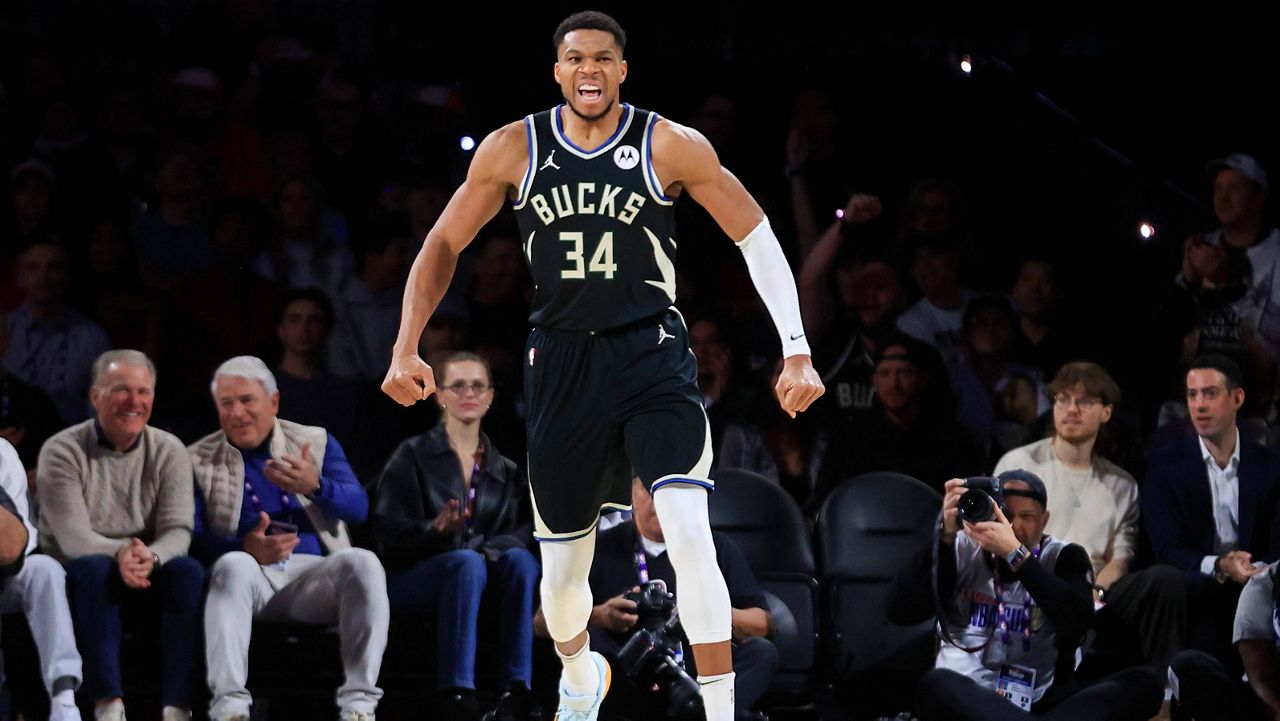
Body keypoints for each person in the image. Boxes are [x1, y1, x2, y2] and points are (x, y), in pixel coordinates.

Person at [381, 12, 824, 721]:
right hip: (560, 363)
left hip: (651, 355)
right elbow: (442, 245)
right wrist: (406, 344)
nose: (589, 69)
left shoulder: (668, 143)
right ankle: (579, 669)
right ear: (557, 71)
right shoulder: (512, 148)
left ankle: (719, 708)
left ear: (623, 70)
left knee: (687, 525)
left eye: (604, 58)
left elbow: (756, 233)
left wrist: (795, 346)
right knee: (562, 582)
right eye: (576, 58)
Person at [189, 356, 386, 721]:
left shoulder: (314, 441)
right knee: (233, 565)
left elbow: (359, 509)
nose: (238, 412)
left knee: (363, 561)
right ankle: (230, 707)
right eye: (226, 403)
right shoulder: (197, 458)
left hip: (313, 580)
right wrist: (244, 548)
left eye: (248, 400)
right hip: (248, 581)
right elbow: (193, 538)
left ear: (274, 402)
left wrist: (315, 486)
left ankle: (359, 705)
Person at [910, 471, 1162, 721]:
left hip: (1039, 699)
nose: (1014, 525)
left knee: (1145, 682)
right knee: (936, 683)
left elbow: (1077, 623)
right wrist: (942, 537)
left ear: (1044, 520)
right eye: (1005, 514)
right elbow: (902, 610)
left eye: (1027, 516)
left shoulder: (1064, 557)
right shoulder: (957, 546)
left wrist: (1015, 555)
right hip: (967, 696)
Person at [371, 352, 538, 721]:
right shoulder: (412, 456)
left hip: (482, 573)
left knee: (520, 561)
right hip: (415, 576)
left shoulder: (506, 468)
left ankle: (517, 690)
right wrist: (435, 529)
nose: (469, 394)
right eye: (458, 385)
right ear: (439, 396)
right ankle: (457, 693)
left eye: (478, 386)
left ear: (491, 397)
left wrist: (487, 553)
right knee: (464, 565)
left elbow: (525, 531)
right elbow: (384, 530)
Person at [36, 350, 202, 721]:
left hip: (145, 562)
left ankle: (177, 707)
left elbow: (179, 528)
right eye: (121, 390)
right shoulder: (62, 450)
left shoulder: (169, 449)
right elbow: (73, 538)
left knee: (188, 572)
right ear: (96, 397)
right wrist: (124, 551)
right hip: (81, 565)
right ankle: (107, 705)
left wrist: (151, 557)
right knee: (95, 569)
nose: (134, 401)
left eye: (144, 391)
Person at [535, 477, 777, 721]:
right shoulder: (598, 547)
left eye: (669, 491)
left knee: (762, 652)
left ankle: (697, 711)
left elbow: (762, 625)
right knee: (590, 642)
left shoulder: (714, 548)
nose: (660, 500)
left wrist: (706, 611)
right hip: (627, 680)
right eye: (650, 490)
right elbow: (541, 622)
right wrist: (599, 615)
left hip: (697, 679)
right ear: (631, 496)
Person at [1144, 354, 1280, 675]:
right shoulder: (1166, 465)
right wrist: (1220, 566)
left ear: (1237, 398)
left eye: (1210, 393)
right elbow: (1166, 549)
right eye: (1192, 395)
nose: (1199, 405)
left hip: (1258, 582)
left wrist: (1254, 571)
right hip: (1197, 584)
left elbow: (1277, 541)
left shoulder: (1270, 465)